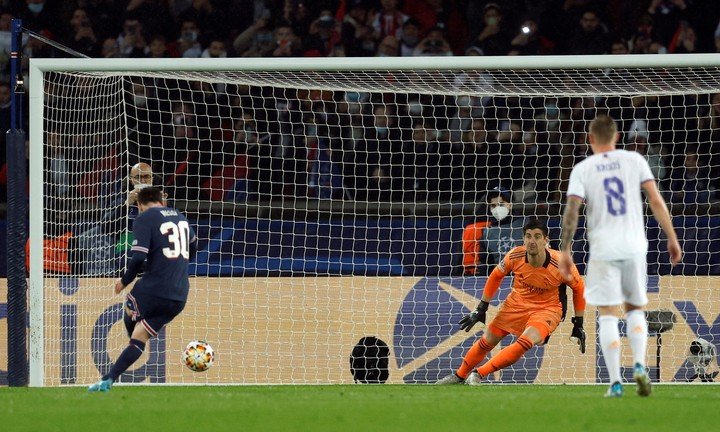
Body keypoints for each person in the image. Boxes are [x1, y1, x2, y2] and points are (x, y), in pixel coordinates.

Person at [558, 115, 682, 397]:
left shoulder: (583, 169)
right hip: (634, 245)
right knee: (635, 309)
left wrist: (565, 250)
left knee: (608, 314)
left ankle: (615, 382)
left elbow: (572, 211)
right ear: (616, 137)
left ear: (590, 139)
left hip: (604, 248)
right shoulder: (634, 160)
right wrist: (672, 237)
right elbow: (655, 199)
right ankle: (639, 365)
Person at [437, 219, 586, 385]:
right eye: (528, 236)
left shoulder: (561, 264)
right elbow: (495, 276)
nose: (532, 241)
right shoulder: (515, 255)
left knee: (525, 342)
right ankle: (459, 376)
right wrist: (482, 308)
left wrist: (578, 324)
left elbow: (579, 289)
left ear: (546, 240)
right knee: (486, 342)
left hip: (547, 309)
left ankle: (478, 374)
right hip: (515, 304)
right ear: (523, 239)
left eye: (537, 236)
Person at [89, 186, 197, 392]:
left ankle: (124, 355)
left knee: (130, 307)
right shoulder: (181, 217)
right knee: (140, 336)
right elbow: (193, 247)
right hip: (179, 295)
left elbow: (138, 256)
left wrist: (124, 280)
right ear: (162, 201)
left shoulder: (144, 218)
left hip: (154, 288)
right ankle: (108, 379)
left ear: (139, 205)